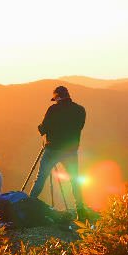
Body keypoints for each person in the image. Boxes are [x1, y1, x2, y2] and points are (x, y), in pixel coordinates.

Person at [29, 85, 88, 220]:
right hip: (71, 151)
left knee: (41, 177)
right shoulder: (80, 110)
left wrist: (41, 127)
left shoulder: (53, 110)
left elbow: (43, 129)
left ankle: (29, 204)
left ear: (57, 97)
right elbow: (79, 127)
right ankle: (80, 210)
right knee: (74, 180)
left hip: (52, 149)